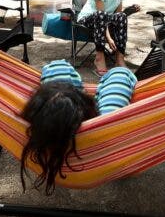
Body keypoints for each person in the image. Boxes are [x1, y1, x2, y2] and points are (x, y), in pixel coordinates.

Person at [19, 59, 138, 193]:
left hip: (54, 122)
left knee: (57, 67)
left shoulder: (36, 128)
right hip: (100, 127)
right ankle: (76, 97)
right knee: (120, 73)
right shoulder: (106, 124)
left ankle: (66, 99)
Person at [75, 0, 139, 74]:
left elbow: (117, 14)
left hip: (104, 20)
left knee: (122, 16)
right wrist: (109, 39)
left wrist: (128, 11)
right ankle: (99, 57)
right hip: (87, 19)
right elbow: (102, 16)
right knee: (101, 14)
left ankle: (119, 58)